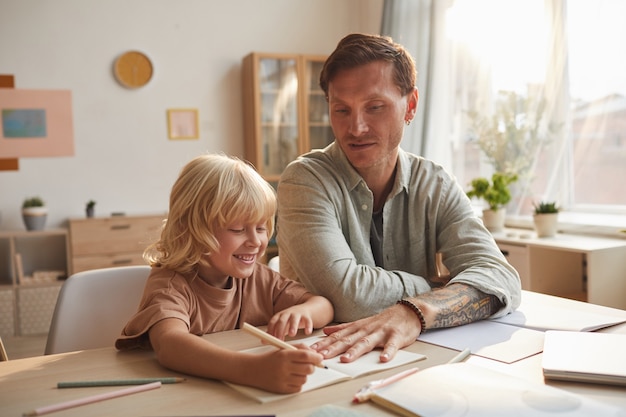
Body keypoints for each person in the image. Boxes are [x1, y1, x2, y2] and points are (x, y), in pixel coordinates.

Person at [276, 33, 521, 363]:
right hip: (322, 359)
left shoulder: (435, 183)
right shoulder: (304, 179)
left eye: (374, 107)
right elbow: (349, 297)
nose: (356, 127)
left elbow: (501, 277)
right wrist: (437, 286)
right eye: (341, 110)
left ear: (411, 105)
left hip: (417, 353)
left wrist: (414, 312)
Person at [115, 153, 333, 394]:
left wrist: (302, 311)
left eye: (261, 228)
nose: (255, 241)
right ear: (193, 230)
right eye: (238, 229)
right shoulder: (171, 285)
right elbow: (170, 345)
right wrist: (253, 371)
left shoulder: (259, 278)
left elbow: (322, 305)